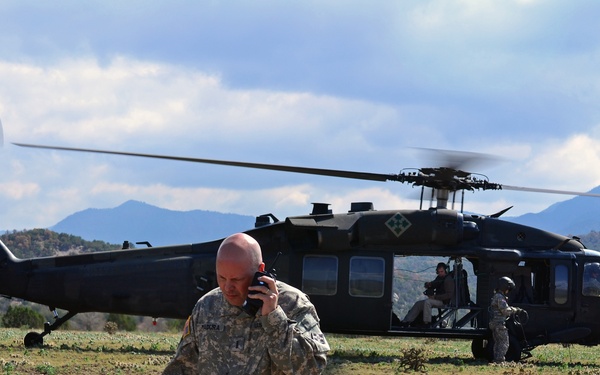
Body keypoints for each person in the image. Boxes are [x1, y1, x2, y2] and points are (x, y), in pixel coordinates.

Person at [162, 233, 330, 375]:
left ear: (260, 270)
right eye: (222, 278)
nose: (228, 287)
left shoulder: (293, 304)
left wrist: (274, 320)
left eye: (237, 279)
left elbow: (312, 368)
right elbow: (182, 366)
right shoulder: (207, 306)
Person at [400, 262, 454, 327]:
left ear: (445, 270)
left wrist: (435, 297)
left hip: (444, 301)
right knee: (418, 304)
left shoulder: (448, 280)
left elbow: (449, 295)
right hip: (438, 299)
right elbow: (434, 283)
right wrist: (429, 285)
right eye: (439, 272)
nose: (440, 273)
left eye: (441, 271)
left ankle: (427, 323)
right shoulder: (439, 278)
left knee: (427, 302)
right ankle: (406, 321)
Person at [488, 276, 523, 363]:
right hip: (499, 323)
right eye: (508, 289)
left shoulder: (497, 296)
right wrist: (515, 310)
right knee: (504, 342)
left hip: (495, 323)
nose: (508, 291)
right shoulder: (500, 297)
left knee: (497, 343)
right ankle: (499, 360)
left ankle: (496, 360)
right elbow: (505, 310)